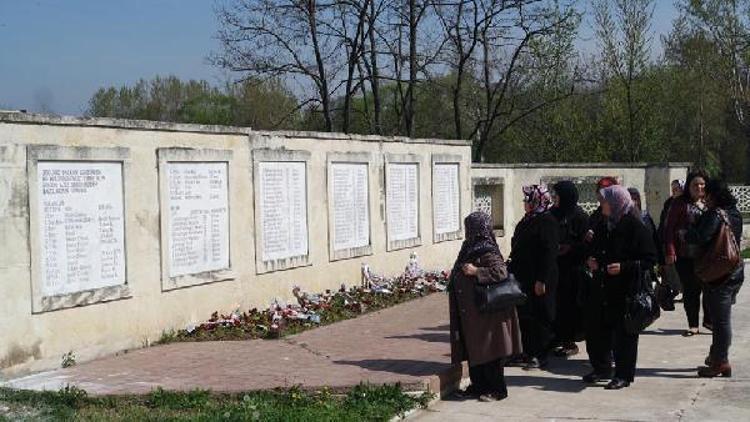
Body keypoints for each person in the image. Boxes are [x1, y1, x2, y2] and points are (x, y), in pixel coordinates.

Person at [583, 185, 657, 390]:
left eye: (605, 201)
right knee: (598, 330)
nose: (601, 205)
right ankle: (601, 368)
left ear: (616, 202)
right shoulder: (603, 224)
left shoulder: (635, 226)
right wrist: (593, 260)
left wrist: (624, 267)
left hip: (625, 290)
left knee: (624, 334)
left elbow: (650, 259)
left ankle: (624, 374)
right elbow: (596, 249)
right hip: (602, 286)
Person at [449, 211, 523, 402]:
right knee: (476, 350)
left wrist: (476, 271)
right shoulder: (470, 247)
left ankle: (497, 390)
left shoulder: (486, 248)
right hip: (474, 313)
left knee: (490, 350)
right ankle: (478, 386)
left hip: (488, 313)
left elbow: (500, 272)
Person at [686, 180, 744, 378]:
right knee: (721, 318)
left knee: (720, 321)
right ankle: (717, 356)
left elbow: (700, 237)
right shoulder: (735, 213)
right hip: (733, 270)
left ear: (714, 196)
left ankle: (720, 361)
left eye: (707, 195)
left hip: (718, 274)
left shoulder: (715, 214)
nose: (704, 198)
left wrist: (686, 232)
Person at [510, 184, 560, 370]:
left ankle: (540, 355)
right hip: (524, 276)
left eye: (527, 200)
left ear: (536, 200)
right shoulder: (528, 219)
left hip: (540, 278)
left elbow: (549, 252)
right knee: (525, 315)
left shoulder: (547, 221)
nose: (525, 203)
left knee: (540, 316)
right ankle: (526, 352)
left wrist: (542, 279)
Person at [664, 170, 709, 336]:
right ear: (689, 186)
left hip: (707, 255)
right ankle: (693, 324)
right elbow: (668, 228)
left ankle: (709, 321)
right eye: (695, 184)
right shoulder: (679, 204)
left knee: (710, 289)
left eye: (702, 184)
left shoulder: (710, 202)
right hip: (685, 254)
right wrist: (670, 250)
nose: (699, 187)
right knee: (691, 290)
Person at [551, 181, 589, 357]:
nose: (554, 199)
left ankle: (570, 342)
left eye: (557, 195)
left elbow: (587, 243)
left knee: (570, 307)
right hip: (555, 268)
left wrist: (571, 248)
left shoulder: (579, 216)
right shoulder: (552, 214)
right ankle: (557, 339)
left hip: (573, 269)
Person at [658, 180, 685, 296]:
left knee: (680, 270)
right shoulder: (669, 203)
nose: (674, 191)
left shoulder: (685, 203)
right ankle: (672, 289)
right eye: (672, 189)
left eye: (677, 189)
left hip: (681, 243)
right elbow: (665, 223)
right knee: (669, 269)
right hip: (669, 241)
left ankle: (684, 291)